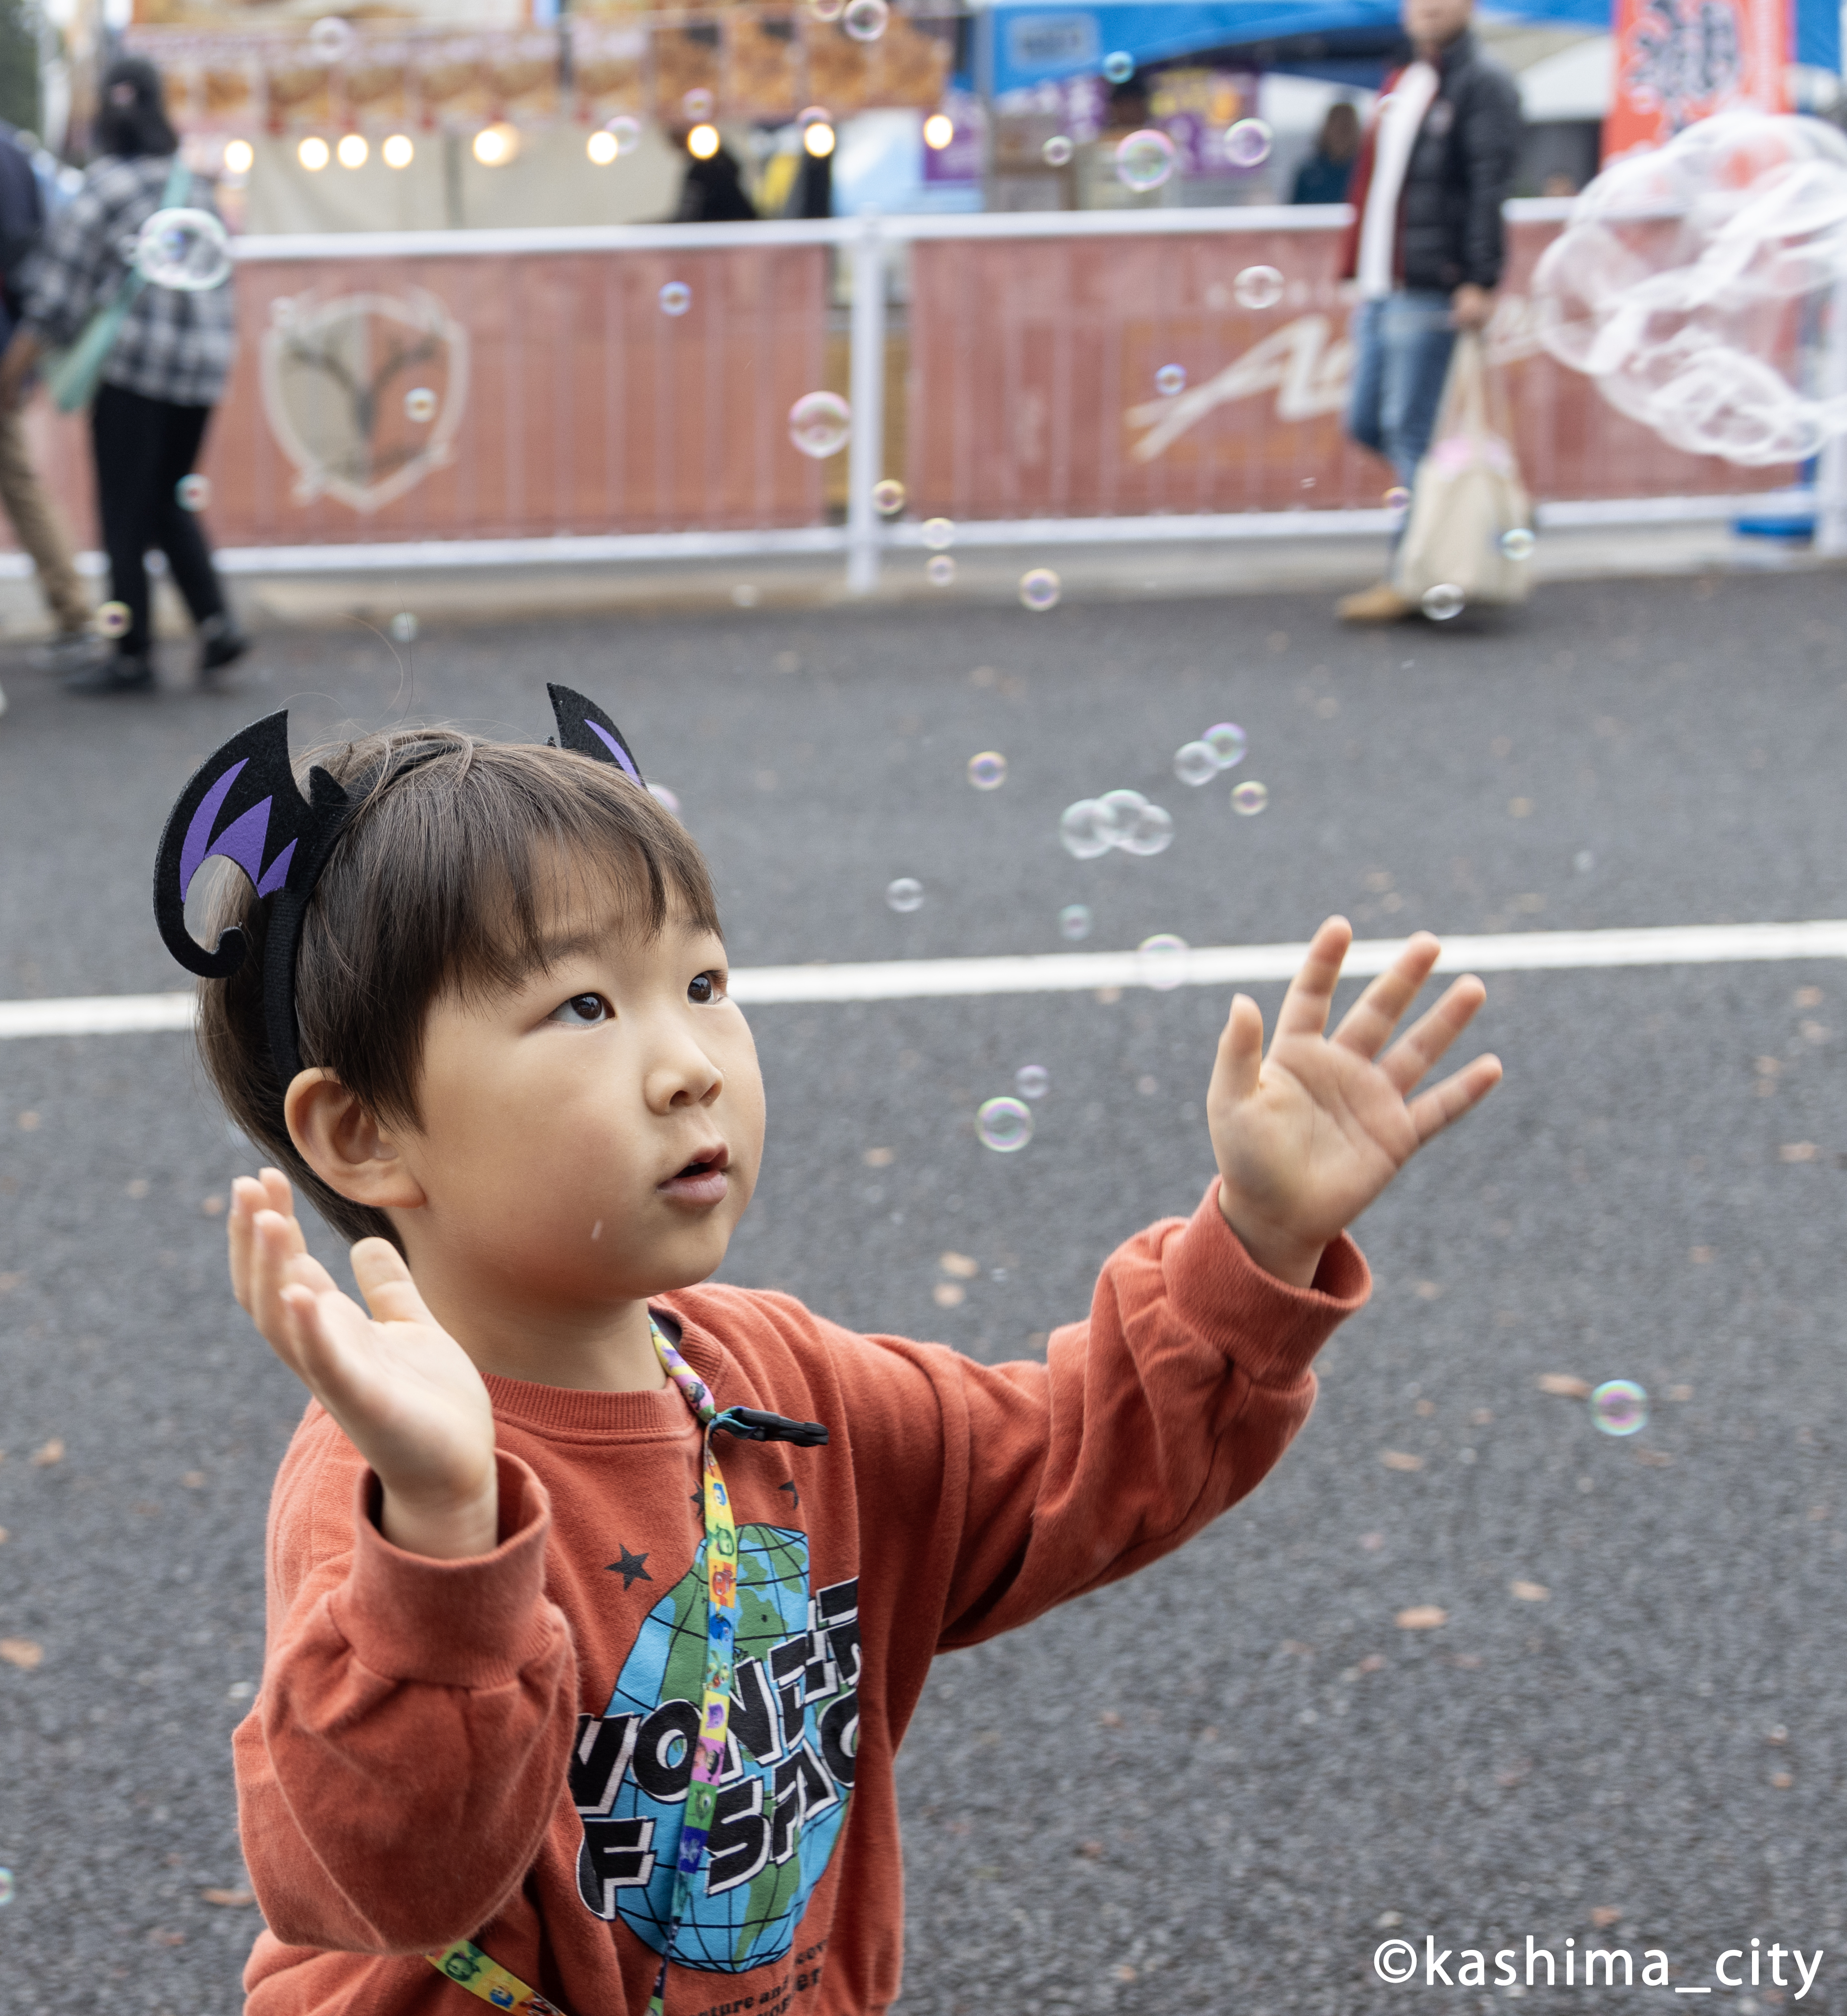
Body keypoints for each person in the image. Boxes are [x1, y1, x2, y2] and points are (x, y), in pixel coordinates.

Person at [158, 682, 1501, 2016]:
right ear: (362, 1133)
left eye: (701, 981)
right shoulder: (389, 1486)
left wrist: (1255, 1247)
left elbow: (1081, 1462)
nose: (689, 1062)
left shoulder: (779, 1384)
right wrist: (448, 1538)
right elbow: (392, 1878)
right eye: (582, 1008)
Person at [0, 55, 247, 693]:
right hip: (201, 370)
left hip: (135, 370)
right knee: (167, 496)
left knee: (125, 508)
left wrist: (12, 371)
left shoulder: (105, 186)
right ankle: (217, 624)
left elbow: (56, 298)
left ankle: (132, 653)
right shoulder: (189, 183)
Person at [1334, 0, 1522, 624]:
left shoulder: (1483, 82)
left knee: (1409, 432)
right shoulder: (1405, 78)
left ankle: (1412, 575)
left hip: (1433, 284)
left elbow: (1488, 187)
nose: (1428, 0)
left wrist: (1478, 278)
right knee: (1367, 421)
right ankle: (1462, 504)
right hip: (1385, 281)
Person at [0, 120, 92, 664]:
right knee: (23, 483)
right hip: (9, 338)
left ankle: (76, 613)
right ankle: (75, 612)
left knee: (23, 482)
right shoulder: (15, 151)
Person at [1290, 100, 1361, 205]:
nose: (1341, 133)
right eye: (1336, 126)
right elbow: (1294, 213)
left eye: (1346, 127)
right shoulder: (1307, 172)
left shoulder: (1363, 171)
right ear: (1326, 128)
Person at [674, 135, 757, 222]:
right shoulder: (695, 173)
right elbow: (688, 210)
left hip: (740, 223)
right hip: (705, 227)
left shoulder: (724, 165)